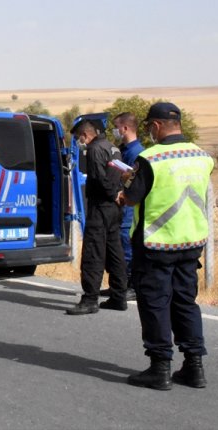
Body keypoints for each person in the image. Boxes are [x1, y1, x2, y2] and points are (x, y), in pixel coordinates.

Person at [119, 102, 213, 390]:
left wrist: (125, 186)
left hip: (156, 244)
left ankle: (160, 367)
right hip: (191, 242)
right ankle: (194, 366)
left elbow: (132, 198)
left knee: (156, 304)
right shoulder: (203, 156)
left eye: (150, 126)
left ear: (156, 126)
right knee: (186, 302)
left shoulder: (151, 159)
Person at [66, 120, 128, 315]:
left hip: (101, 206)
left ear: (85, 135)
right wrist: (118, 193)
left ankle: (90, 299)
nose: (78, 142)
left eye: (78, 138)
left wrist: (111, 193)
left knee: (93, 252)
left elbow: (99, 179)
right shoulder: (112, 147)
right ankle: (119, 296)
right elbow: (121, 174)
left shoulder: (94, 150)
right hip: (114, 207)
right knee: (114, 250)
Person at [113, 111, 145, 300]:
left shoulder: (136, 152)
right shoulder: (122, 150)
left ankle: (131, 286)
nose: (115, 131)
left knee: (127, 248)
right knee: (118, 248)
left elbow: (135, 182)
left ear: (125, 128)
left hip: (129, 209)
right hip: (120, 207)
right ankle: (119, 285)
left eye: (117, 128)